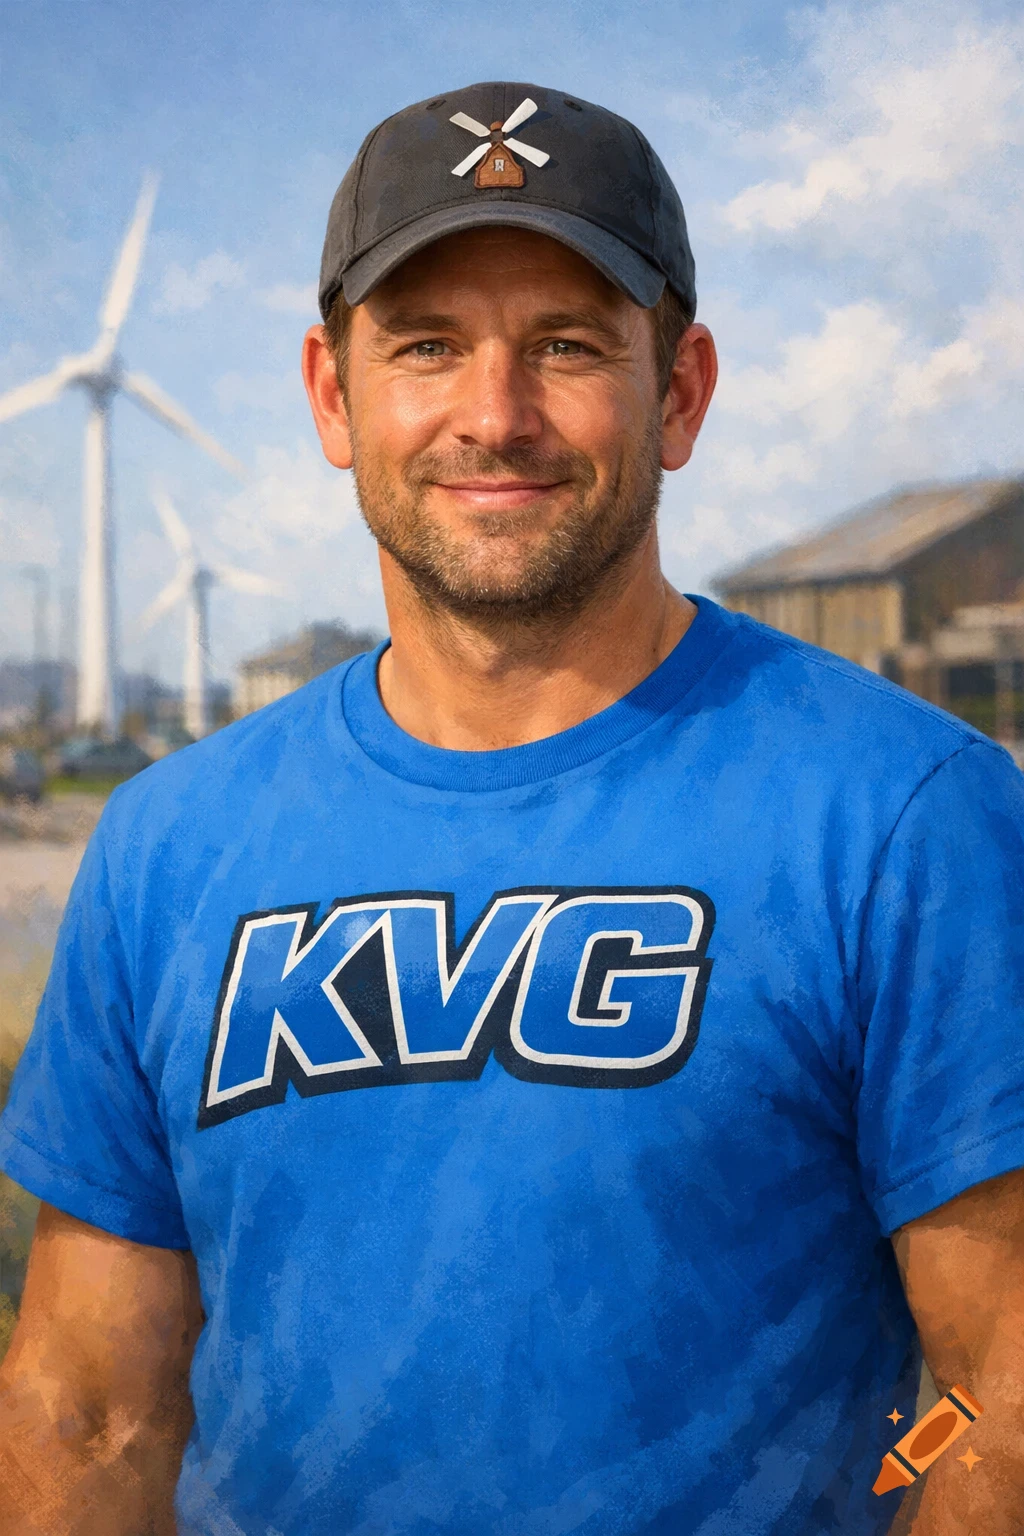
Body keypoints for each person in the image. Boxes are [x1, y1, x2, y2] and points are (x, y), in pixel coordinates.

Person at [1, 78, 1022, 1536]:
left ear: (679, 391)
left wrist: (940, 1480)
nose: (496, 415)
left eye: (566, 346)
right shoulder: (167, 845)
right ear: (330, 394)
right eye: (427, 347)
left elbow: (1001, 1393)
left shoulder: (909, 814)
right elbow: (84, 1409)